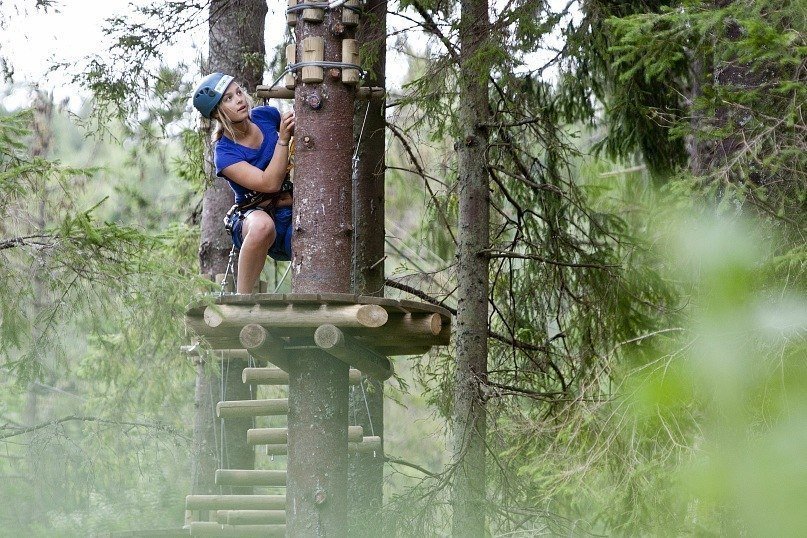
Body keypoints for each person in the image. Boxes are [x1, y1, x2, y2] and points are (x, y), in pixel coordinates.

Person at [192, 72, 295, 294]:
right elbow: (269, 184)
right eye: (228, 98)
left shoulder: (266, 116)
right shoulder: (226, 154)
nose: (239, 99)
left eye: (238, 92)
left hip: (290, 216)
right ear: (218, 113)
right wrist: (284, 139)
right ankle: (244, 297)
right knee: (262, 226)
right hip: (253, 221)